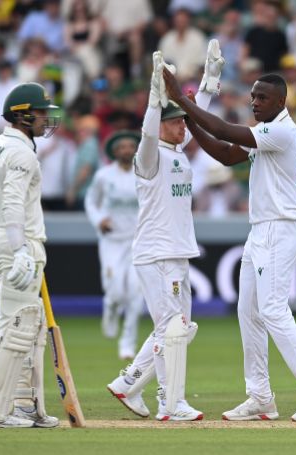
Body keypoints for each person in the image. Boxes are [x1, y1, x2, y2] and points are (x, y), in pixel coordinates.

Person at [163, 50, 296, 423]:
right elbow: (226, 154)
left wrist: (182, 102)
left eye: (262, 98)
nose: (255, 102)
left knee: (273, 309)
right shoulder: (263, 133)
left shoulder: (280, 130)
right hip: (260, 230)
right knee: (248, 311)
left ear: (281, 101)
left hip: (281, 227)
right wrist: (190, 118)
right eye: (253, 97)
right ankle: (260, 396)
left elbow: (226, 131)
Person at [105, 44, 219, 421]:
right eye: (176, 122)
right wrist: (155, 104)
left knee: (177, 330)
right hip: (156, 254)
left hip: (177, 252)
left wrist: (209, 85)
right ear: (161, 124)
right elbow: (149, 136)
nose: (183, 127)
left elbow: (193, 117)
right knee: (172, 330)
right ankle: (171, 403)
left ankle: (128, 384)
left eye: (182, 121)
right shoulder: (149, 156)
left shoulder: (177, 148)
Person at [0, 82, 62, 428]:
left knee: (30, 326)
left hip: (3, 238)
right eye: (41, 113)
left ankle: (26, 404)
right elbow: (11, 202)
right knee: (16, 327)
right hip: (17, 242)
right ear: (23, 115)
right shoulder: (22, 153)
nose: (46, 119)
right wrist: (18, 249)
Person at [84, 130, 145, 360]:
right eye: (122, 147)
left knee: (136, 292)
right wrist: (99, 220)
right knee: (116, 288)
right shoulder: (103, 176)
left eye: (131, 146)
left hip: (138, 240)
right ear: (115, 151)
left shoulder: (144, 173)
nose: (127, 150)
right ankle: (110, 306)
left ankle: (127, 343)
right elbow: (91, 201)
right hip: (111, 240)